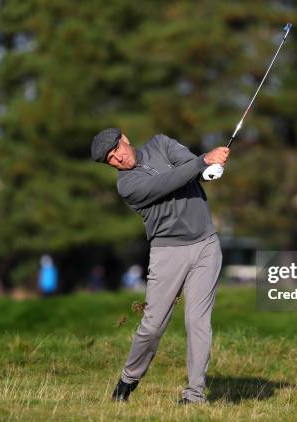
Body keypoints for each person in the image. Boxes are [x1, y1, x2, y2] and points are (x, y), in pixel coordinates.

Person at [91, 128, 229, 404]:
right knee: (153, 326)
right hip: (168, 252)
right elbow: (168, 182)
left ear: (125, 139)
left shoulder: (161, 144)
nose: (117, 158)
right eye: (110, 159)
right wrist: (203, 162)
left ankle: (194, 395)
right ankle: (128, 379)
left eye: (116, 149)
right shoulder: (127, 186)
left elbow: (189, 165)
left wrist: (208, 169)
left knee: (197, 322)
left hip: (206, 245)